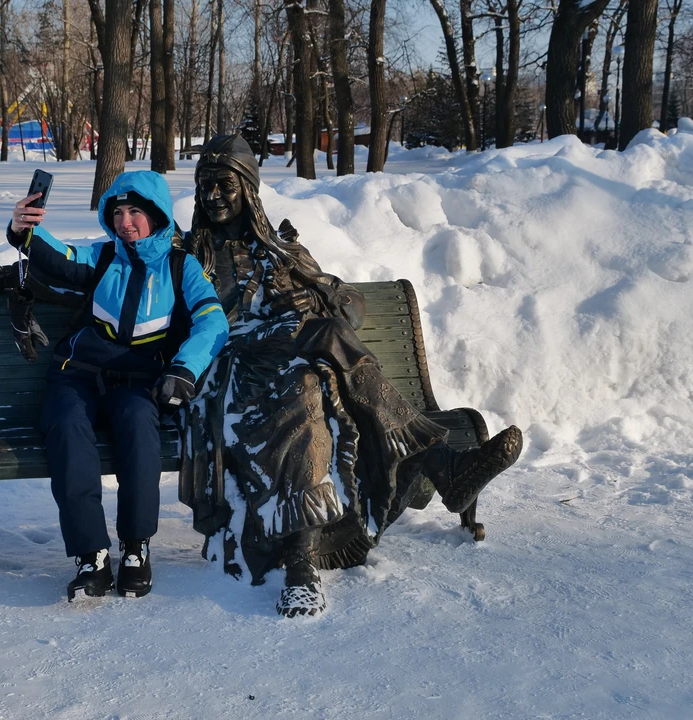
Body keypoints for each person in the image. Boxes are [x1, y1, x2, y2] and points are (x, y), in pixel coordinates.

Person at [178, 134, 523, 617]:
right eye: (205, 187)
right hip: (228, 371)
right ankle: (437, 465)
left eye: (225, 186)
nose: (213, 196)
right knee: (311, 367)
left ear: (249, 190)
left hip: (292, 364)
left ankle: (308, 553)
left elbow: (350, 305)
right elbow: (177, 324)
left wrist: (319, 298)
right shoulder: (188, 256)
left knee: (319, 360)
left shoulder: (280, 251)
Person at [0, 170, 228, 601]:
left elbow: (211, 320)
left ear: (158, 215)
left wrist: (183, 369)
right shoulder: (103, 257)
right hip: (78, 373)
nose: (126, 221)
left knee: (140, 433)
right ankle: (92, 556)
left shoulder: (181, 267)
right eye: (118, 212)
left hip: (138, 380)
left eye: (136, 212)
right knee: (67, 429)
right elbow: (60, 256)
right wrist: (24, 229)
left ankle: (136, 548)